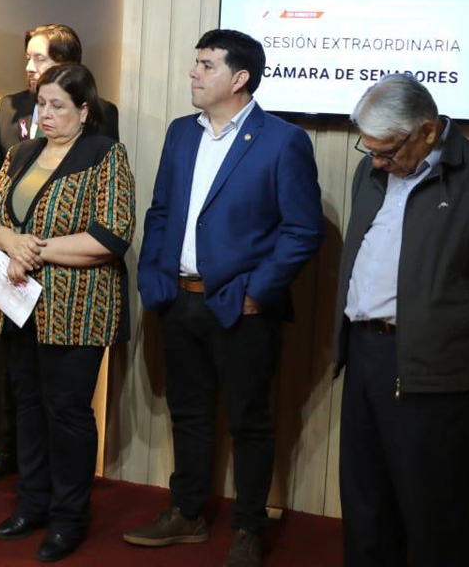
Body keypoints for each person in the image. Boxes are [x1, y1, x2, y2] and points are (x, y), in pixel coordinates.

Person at [125, 29, 323, 567]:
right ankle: (186, 513)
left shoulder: (282, 140)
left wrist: (259, 292)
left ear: (239, 78)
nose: (194, 73)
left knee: (248, 420)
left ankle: (249, 528)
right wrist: (154, 280)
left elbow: (303, 229)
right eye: (196, 63)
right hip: (178, 300)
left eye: (206, 65)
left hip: (242, 306)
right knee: (188, 414)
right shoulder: (181, 133)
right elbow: (161, 211)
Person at [334, 74, 469, 567]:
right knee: (365, 500)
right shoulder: (371, 172)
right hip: (365, 353)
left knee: (433, 510)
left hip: (439, 369)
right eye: (369, 149)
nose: (376, 161)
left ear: (427, 130)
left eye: (386, 150)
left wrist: (454, 327)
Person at [0, 63, 135, 562]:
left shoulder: (104, 154)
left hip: (77, 309)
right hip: (17, 305)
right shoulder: (21, 154)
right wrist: (11, 240)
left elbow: (111, 236)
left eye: (58, 105)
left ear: (84, 111)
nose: (45, 113)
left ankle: (68, 518)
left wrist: (32, 250)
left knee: (67, 412)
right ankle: (33, 504)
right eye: (41, 104)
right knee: (27, 405)